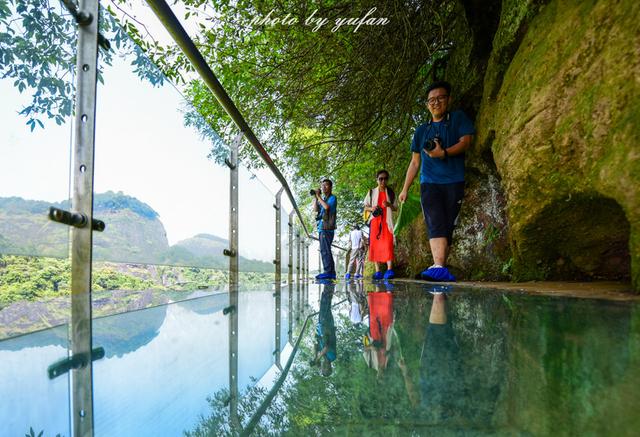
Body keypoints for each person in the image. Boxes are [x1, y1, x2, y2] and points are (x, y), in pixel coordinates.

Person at [399, 81, 475, 282]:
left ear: (448, 99)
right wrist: (405, 188)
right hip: (430, 182)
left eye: (440, 98)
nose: (436, 103)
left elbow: (466, 141)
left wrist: (444, 153)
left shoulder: (458, 118)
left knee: (448, 223)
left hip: (454, 180)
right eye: (431, 100)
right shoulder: (422, 130)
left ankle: (441, 267)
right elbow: (415, 162)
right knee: (435, 220)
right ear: (427, 105)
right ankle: (439, 266)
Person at [364, 169, 398, 280]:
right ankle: (378, 271)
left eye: (385, 179)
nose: (383, 181)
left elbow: (395, 208)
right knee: (375, 245)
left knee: (388, 244)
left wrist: (389, 204)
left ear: (387, 180)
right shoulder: (371, 192)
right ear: (377, 180)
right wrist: (372, 208)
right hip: (375, 221)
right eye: (380, 179)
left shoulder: (391, 192)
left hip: (387, 222)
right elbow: (365, 207)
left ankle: (389, 269)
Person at [313, 179, 337, 280]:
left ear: (331, 187)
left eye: (326, 185)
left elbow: (326, 207)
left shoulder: (333, 198)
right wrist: (316, 198)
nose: (324, 187)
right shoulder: (322, 199)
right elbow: (315, 210)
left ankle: (328, 272)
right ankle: (330, 272)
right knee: (325, 249)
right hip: (321, 227)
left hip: (327, 228)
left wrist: (318, 197)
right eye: (322, 186)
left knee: (325, 250)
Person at [312, 282, 337, 376]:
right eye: (326, 368)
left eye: (323, 368)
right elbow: (326, 347)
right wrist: (318, 358)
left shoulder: (322, 356)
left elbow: (315, 344)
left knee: (324, 303)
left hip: (321, 325)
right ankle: (330, 283)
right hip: (327, 324)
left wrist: (315, 357)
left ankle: (329, 284)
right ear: (329, 367)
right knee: (325, 303)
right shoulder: (332, 357)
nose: (324, 366)